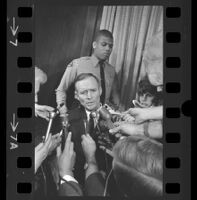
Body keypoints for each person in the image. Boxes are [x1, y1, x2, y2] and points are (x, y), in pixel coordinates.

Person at [56, 29, 120, 116]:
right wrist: (63, 110)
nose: (107, 49)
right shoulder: (78, 64)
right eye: (104, 44)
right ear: (94, 45)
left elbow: (115, 97)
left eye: (110, 46)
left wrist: (115, 111)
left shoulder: (111, 70)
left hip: (102, 117)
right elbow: (61, 89)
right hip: (79, 114)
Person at [67, 73, 109, 185]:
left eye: (93, 90)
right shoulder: (68, 119)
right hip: (77, 179)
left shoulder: (114, 118)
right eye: (83, 92)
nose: (89, 96)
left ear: (100, 90)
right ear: (76, 95)